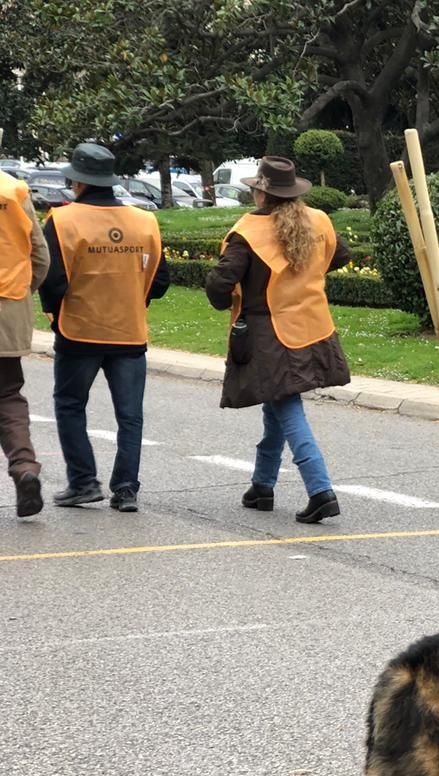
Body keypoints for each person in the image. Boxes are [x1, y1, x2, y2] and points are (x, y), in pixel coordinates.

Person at [204, 156, 349, 523]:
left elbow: (222, 283)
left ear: (261, 193)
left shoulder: (249, 232)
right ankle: (262, 485)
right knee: (277, 404)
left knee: (286, 406)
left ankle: (321, 490)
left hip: (270, 334)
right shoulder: (318, 220)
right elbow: (340, 255)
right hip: (314, 326)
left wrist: (227, 299)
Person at [39, 142, 169, 512]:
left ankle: (83, 481)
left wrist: (56, 317)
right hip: (129, 332)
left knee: (69, 405)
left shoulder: (62, 221)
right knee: (130, 416)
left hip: (79, 330)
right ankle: (126, 489)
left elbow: (51, 281)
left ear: (77, 183)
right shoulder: (145, 222)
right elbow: (159, 283)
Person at [0, 162, 48, 518]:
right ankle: (24, 467)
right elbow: (39, 255)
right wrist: (20, 294)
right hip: (8, 307)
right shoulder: (14, 190)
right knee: (8, 395)